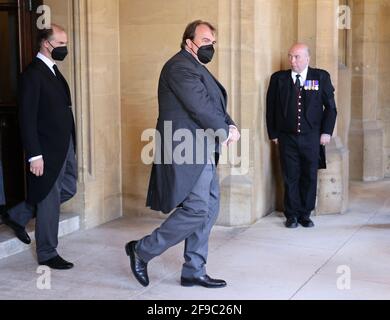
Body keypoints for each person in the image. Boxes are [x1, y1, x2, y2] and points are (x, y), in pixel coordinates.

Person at [125, 20, 240, 288]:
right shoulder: (178, 66)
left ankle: (194, 269)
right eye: (205, 41)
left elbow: (214, 104)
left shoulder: (196, 67)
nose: (210, 46)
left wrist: (230, 124)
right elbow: (199, 107)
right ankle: (142, 250)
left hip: (202, 148)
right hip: (185, 149)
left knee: (209, 208)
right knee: (198, 209)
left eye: (213, 41)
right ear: (189, 42)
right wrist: (225, 132)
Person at [2, 24, 77, 269]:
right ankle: (47, 252)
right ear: (46, 43)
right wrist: (34, 155)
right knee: (48, 197)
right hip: (45, 151)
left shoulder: (53, 71)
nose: (65, 48)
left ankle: (19, 215)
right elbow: (27, 118)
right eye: (61, 44)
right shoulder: (33, 74)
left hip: (64, 146)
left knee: (68, 188)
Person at [266, 43, 337, 229]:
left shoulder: (320, 77)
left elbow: (331, 108)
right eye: (290, 56)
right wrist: (273, 133)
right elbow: (271, 107)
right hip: (286, 137)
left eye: (297, 57)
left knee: (309, 176)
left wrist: (326, 132)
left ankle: (305, 214)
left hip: (312, 137)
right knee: (290, 175)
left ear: (307, 58)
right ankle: (291, 215)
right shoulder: (278, 79)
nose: (292, 60)